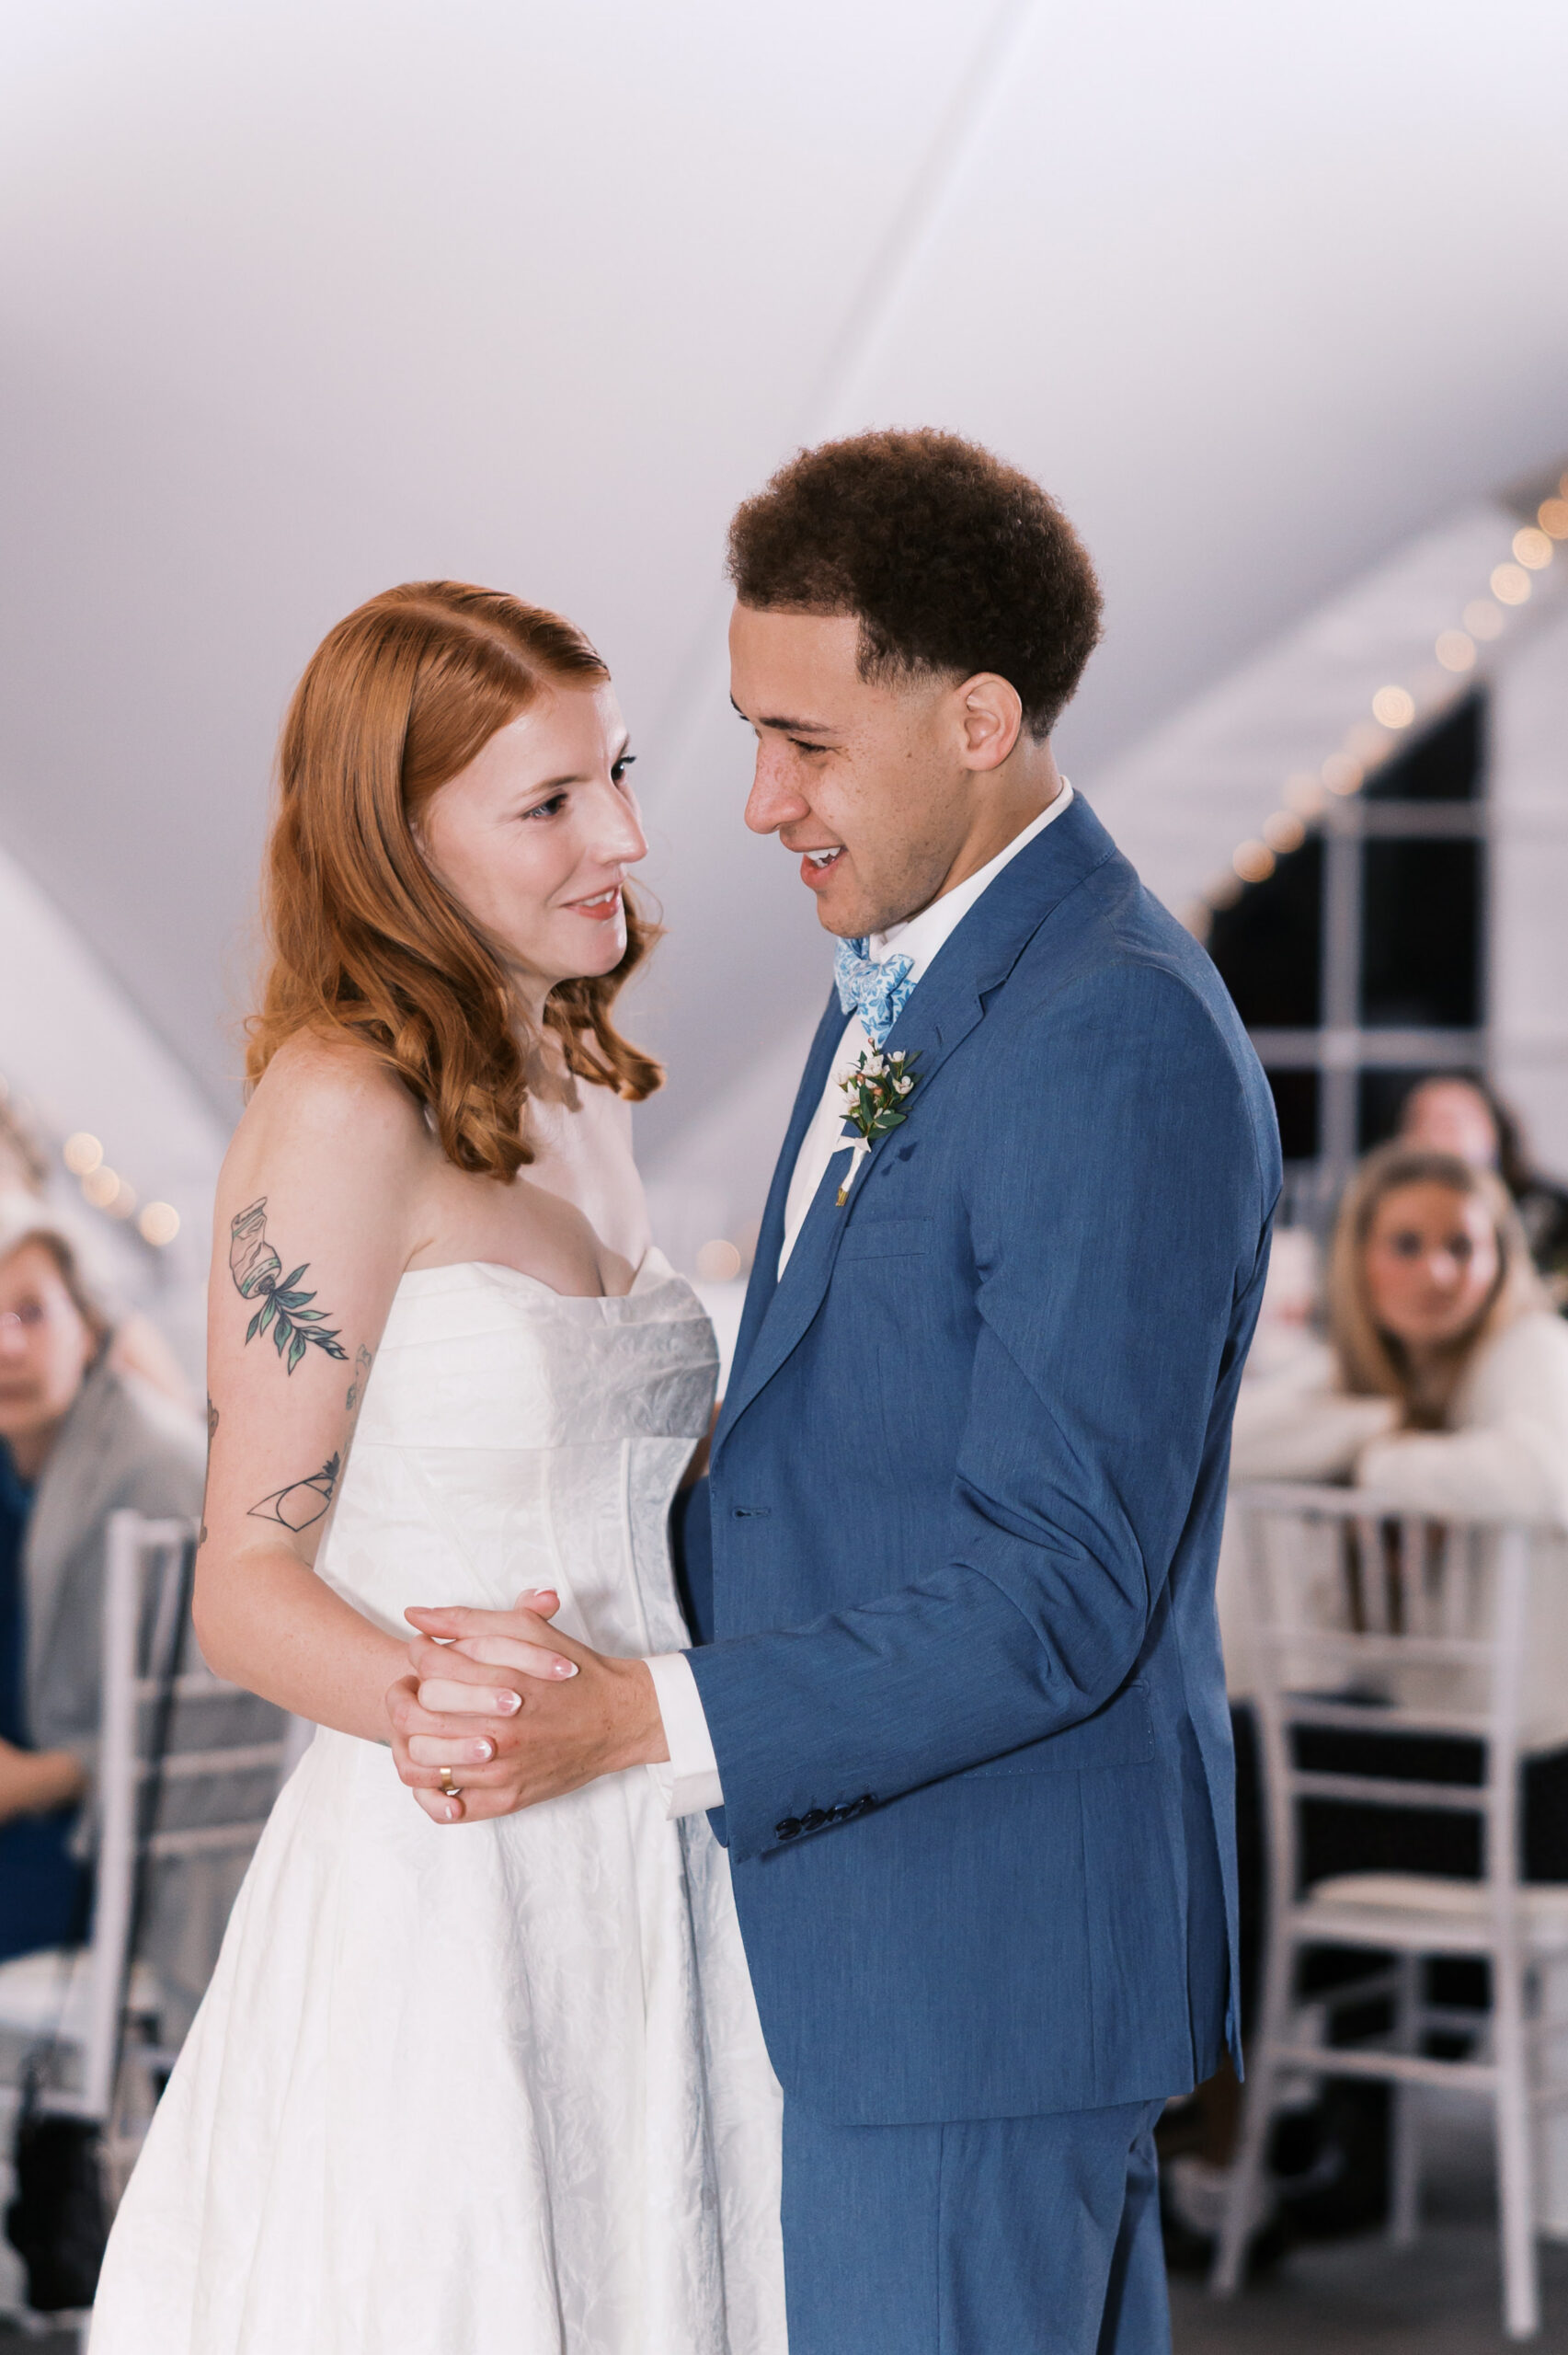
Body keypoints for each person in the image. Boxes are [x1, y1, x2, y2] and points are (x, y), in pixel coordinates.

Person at [389, 433, 1281, 2354]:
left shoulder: (1107, 1029)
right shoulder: (912, 970)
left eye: (803, 742)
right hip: (871, 1929)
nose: (755, 801)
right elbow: (833, 1434)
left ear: (975, 719)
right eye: (745, 734)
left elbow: (1054, 1587)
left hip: (978, 1952)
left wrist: (642, 1718)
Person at [91, 586, 785, 2352]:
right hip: (456, 1863)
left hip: (666, 1844)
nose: (623, 833)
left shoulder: (584, 1069)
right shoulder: (336, 1107)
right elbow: (243, 1589)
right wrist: (497, 1721)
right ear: (400, 841)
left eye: (615, 772)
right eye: (548, 801)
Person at [0, 1197, 204, 1964]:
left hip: (120, 1845)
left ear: (88, 1330)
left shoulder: (152, 1472)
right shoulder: (20, 1459)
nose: (6, 1345)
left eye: (31, 1314)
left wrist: (42, 1779)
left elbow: (213, 1727)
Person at [1398, 1073, 1568, 1301]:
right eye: (1424, 1121)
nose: (1440, 1135)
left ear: (1494, 1129)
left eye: (1455, 1120)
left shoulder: (1553, 1210)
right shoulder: (1383, 1218)